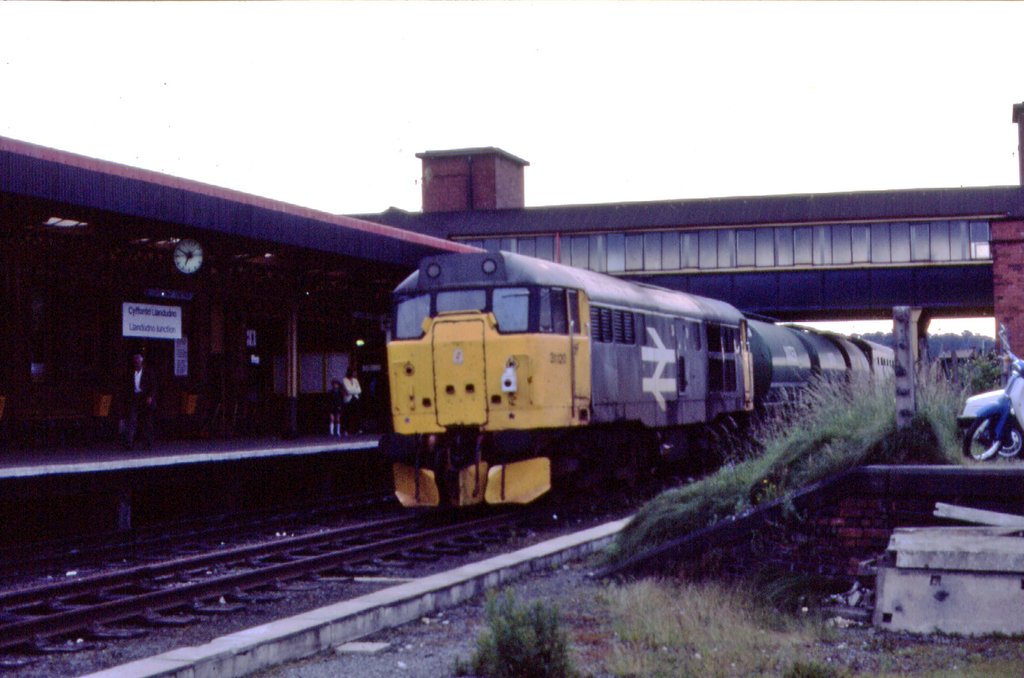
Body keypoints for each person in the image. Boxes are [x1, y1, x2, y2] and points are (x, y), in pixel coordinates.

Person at [124, 353, 157, 450]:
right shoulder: (130, 373)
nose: (137, 364)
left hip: (145, 398)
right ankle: (129, 443)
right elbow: (126, 386)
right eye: (135, 362)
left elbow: (153, 386)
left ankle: (148, 444)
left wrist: (150, 396)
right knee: (132, 420)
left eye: (139, 362)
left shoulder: (148, 373)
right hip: (134, 398)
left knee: (147, 422)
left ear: (142, 363)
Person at [342, 367, 362, 435]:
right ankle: (346, 430)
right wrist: (354, 390)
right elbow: (348, 390)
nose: (354, 373)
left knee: (357, 414)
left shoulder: (355, 380)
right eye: (353, 372)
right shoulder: (344, 380)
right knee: (347, 415)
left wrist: (352, 391)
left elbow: (359, 390)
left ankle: (358, 429)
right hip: (348, 400)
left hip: (355, 398)